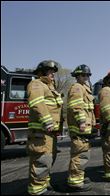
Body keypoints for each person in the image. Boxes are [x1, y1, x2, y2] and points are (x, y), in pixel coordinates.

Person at [27, 60, 63, 195]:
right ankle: (37, 191)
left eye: (53, 72)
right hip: (41, 132)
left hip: (49, 133)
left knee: (48, 160)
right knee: (41, 160)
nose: (53, 74)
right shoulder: (36, 84)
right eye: (50, 72)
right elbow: (37, 103)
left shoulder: (49, 88)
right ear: (41, 72)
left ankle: (44, 185)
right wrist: (47, 121)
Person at [66, 64, 95, 192]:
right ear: (77, 75)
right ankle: (75, 183)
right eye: (83, 75)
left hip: (84, 128)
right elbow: (76, 107)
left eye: (88, 75)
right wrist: (82, 122)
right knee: (79, 156)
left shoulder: (84, 88)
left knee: (83, 154)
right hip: (79, 128)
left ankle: (78, 178)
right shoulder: (77, 87)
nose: (86, 77)